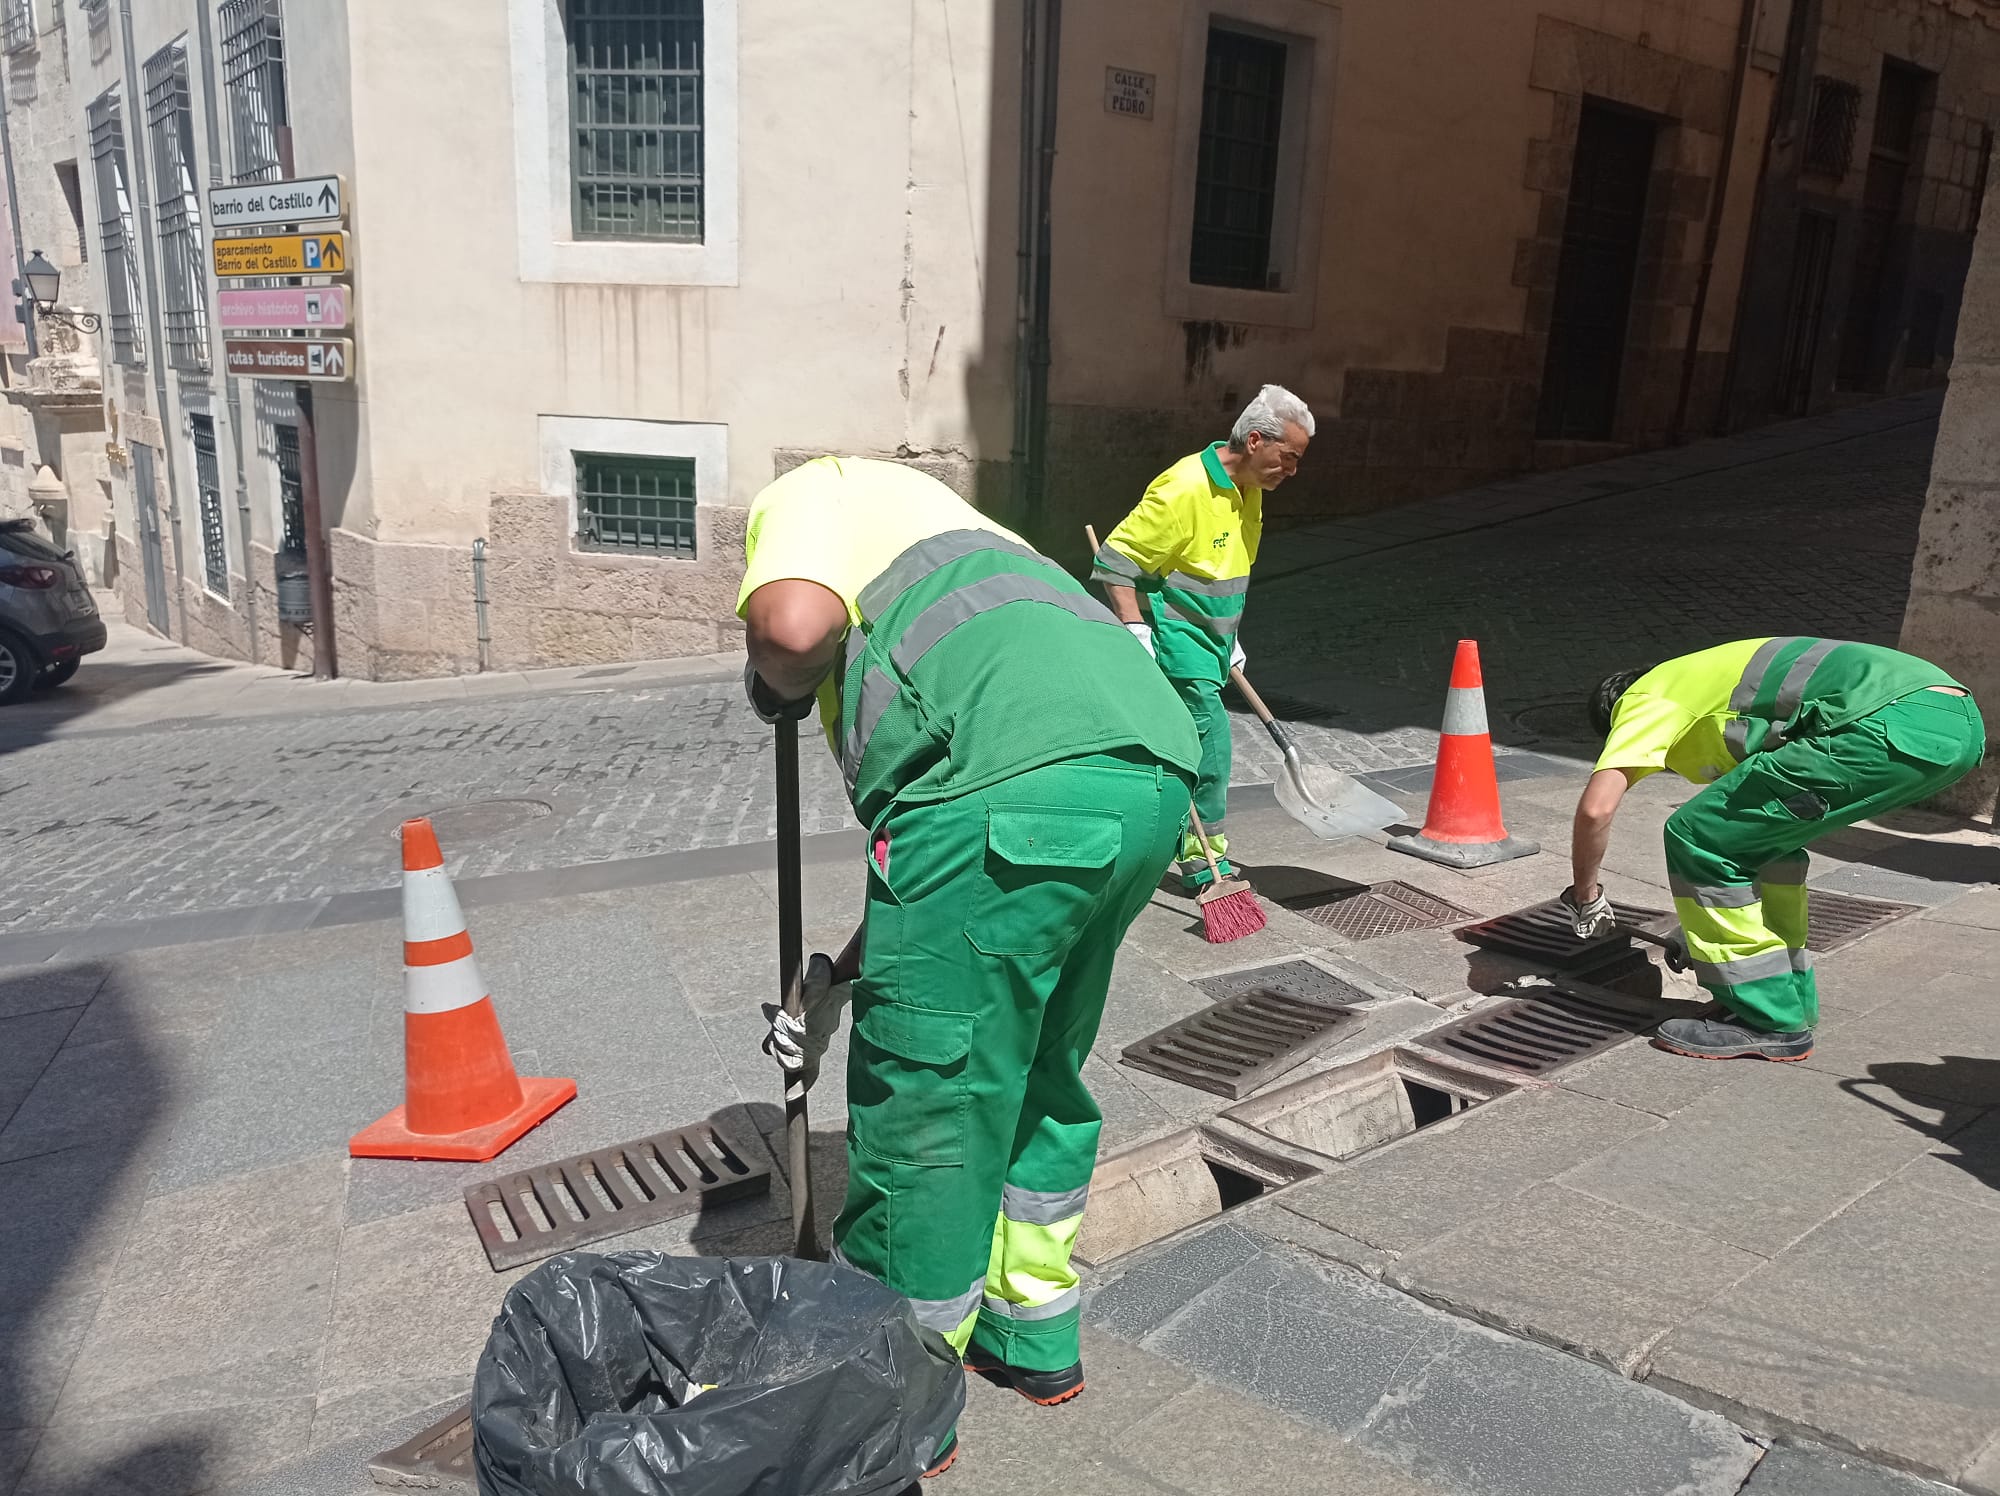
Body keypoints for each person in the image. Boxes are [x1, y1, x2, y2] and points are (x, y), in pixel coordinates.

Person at [738, 456, 1199, 1471]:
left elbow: (791, 628)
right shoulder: (961, 532)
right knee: (1036, 1058)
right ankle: (1029, 1330)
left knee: (930, 1109)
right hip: (1146, 776)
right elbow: (966, 899)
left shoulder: (807, 493)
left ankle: (887, 1404)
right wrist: (848, 979)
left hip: (1008, 796)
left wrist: (771, 684)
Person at [1563, 637, 1983, 1061]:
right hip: (1954, 724)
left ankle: (1766, 1019)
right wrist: (1704, 933)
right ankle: (1786, 997)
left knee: (1696, 835)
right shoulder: (1709, 683)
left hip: (1885, 723)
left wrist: (1585, 897)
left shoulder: (1646, 696)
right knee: (1763, 845)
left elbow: (1596, 810)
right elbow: (1744, 845)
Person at [1091, 385, 1313, 891]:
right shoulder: (1185, 488)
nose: (1293, 471)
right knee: (1211, 749)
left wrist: (1229, 635)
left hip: (1212, 641)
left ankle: (1134, 832)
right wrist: (1135, 629)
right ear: (1256, 441)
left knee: (1171, 749)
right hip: (1177, 641)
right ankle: (1202, 857)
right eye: (1289, 457)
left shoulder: (1249, 491)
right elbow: (1116, 561)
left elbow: (1221, 572)